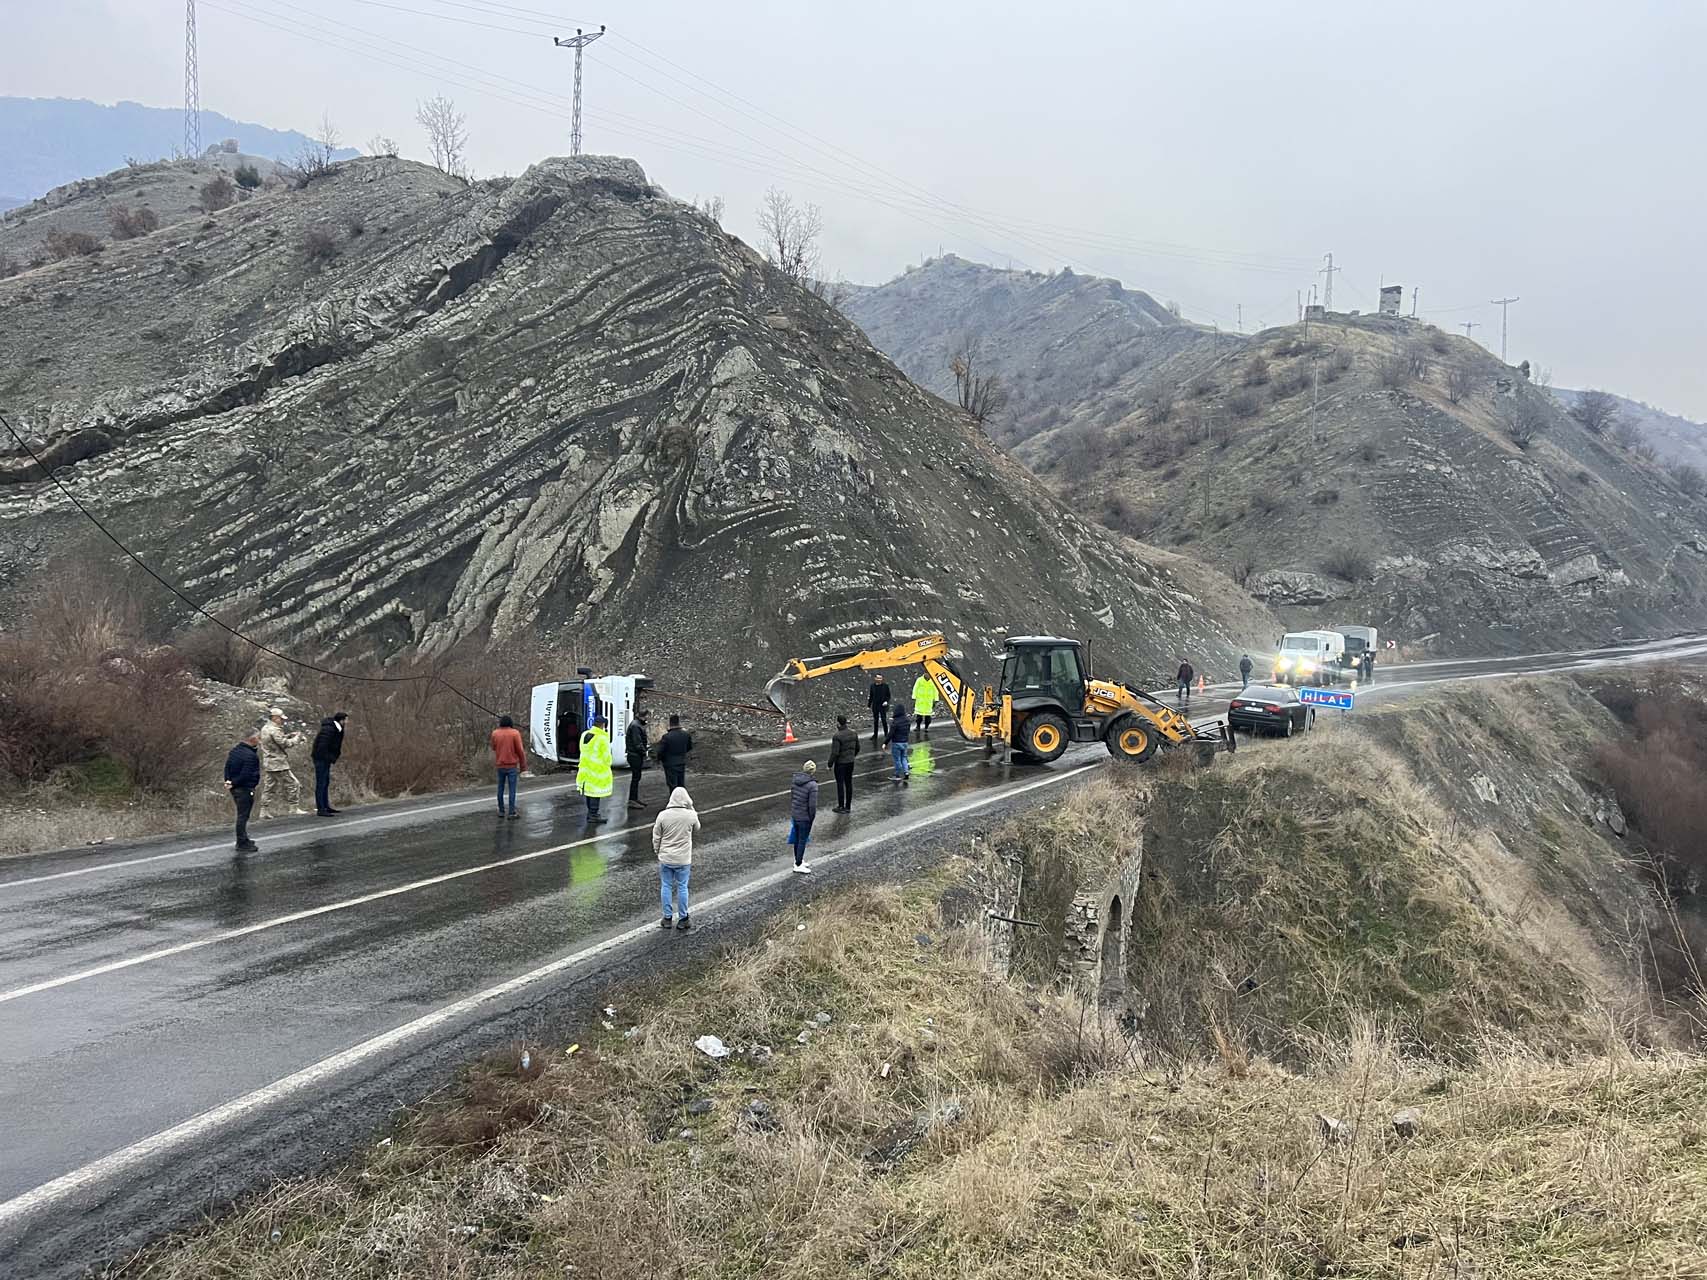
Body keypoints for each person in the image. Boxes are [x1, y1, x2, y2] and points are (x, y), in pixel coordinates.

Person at [653, 786, 700, 930]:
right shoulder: (690, 815)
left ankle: (667, 918)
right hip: (683, 860)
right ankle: (683, 918)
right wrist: (691, 805)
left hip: (666, 858)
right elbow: (697, 827)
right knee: (682, 887)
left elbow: (656, 836)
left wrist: (657, 851)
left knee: (666, 886)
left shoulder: (662, 815)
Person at [258, 707, 304, 819]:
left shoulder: (265, 728)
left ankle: (264, 810)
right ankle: (293, 808)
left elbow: (274, 741)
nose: (282, 721)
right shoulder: (275, 729)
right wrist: (297, 738)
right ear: (274, 718)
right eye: (280, 718)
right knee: (293, 784)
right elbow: (284, 744)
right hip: (278, 763)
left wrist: (288, 735)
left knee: (269, 787)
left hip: (269, 762)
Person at [223, 730, 262, 853]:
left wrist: (228, 781)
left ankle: (244, 839)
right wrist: (235, 783)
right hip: (244, 788)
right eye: (258, 738)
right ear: (252, 739)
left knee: (242, 814)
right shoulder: (251, 756)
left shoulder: (235, 751)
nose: (260, 740)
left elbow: (227, 767)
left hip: (235, 788)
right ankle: (241, 843)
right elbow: (246, 774)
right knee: (243, 816)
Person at [577, 714, 614, 824]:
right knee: (595, 793)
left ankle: (591, 813)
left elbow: (581, 749)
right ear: (602, 725)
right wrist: (608, 764)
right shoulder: (602, 738)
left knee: (589, 791)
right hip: (598, 770)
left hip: (585, 768)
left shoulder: (584, 735)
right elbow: (607, 757)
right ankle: (593, 814)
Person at [310, 711, 348, 816]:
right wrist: (329, 758)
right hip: (321, 759)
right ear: (341, 720)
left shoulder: (336, 729)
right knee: (321, 783)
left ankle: (326, 806)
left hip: (325, 758)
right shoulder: (329, 729)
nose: (346, 722)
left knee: (325, 782)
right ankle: (321, 808)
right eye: (345, 720)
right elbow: (322, 746)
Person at [491, 714, 527, 818]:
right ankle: (511, 812)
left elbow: (493, 747)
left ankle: (501, 810)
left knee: (500, 788)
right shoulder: (515, 733)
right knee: (512, 789)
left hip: (500, 765)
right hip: (512, 765)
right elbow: (520, 751)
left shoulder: (495, 733)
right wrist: (523, 766)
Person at [788, 760, 818, 873]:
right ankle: (798, 864)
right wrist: (812, 818)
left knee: (797, 839)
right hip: (805, 817)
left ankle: (798, 860)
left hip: (795, 814)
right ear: (813, 771)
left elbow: (792, 797)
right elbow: (812, 805)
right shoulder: (813, 785)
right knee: (802, 840)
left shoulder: (795, 781)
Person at [827, 713, 860, 813]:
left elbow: (835, 753)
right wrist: (852, 756)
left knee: (840, 784)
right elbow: (858, 748)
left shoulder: (837, 736)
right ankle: (848, 806)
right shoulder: (853, 733)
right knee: (849, 783)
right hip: (850, 762)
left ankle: (841, 806)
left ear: (838, 723)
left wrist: (829, 764)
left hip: (841, 763)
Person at [658, 714, 693, 793]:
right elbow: (689, 747)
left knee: (672, 785)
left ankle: (674, 802)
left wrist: (660, 759)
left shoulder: (666, 737)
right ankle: (681, 801)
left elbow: (661, 751)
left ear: (670, 724)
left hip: (670, 764)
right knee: (681, 785)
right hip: (681, 762)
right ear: (678, 722)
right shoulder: (686, 735)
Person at [625, 707, 651, 810]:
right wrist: (645, 753)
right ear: (643, 716)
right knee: (636, 778)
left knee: (636, 777)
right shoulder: (636, 726)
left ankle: (634, 798)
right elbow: (637, 743)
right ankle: (632, 800)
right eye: (647, 716)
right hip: (635, 755)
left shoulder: (636, 724)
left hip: (634, 754)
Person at [887, 700, 913, 783]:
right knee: (904, 758)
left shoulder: (895, 722)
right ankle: (906, 772)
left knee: (897, 759)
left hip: (896, 743)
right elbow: (908, 731)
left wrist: (885, 743)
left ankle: (897, 774)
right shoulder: (907, 721)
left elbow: (891, 734)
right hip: (905, 742)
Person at [867, 673, 891, 742]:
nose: (879, 680)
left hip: (883, 706)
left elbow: (888, 695)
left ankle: (886, 734)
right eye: (878, 678)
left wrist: (886, 701)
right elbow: (871, 696)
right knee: (875, 721)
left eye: (881, 678)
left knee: (884, 720)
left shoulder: (885, 686)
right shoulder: (872, 686)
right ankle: (875, 735)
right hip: (875, 705)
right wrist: (869, 705)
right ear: (875, 679)